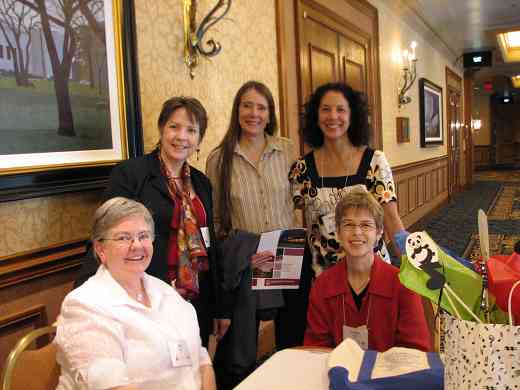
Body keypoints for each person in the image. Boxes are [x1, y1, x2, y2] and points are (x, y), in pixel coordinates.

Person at [280, 82, 406, 348]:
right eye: (325, 109)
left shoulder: (374, 161)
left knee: (377, 347)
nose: (333, 117)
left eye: (341, 110)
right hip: (324, 282)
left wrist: (412, 267)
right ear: (316, 116)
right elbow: (289, 221)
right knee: (329, 351)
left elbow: (392, 220)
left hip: (371, 274)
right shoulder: (302, 169)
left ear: (353, 115)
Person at [55, 197, 217, 390]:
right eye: (123, 237)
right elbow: (112, 386)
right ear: (101, 249)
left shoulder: (164, 290)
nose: (137, 245)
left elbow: (201, 360)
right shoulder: (84, 305)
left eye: (143, 236)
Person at [103, 96, 225, 347]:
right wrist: (86, 293)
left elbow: (208, 244)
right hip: (146, 300)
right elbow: (106, 235)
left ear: (199, 139)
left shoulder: (202, 183)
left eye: (191, 130)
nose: (182, 136)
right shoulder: (131, 175)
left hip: (194, 303)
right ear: (161, 128)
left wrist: (220, 307)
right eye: (174, 127)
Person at [205, 80, 297, 389]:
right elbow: (216, 218)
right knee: (241, 344)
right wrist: (236, 250)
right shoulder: (219, 159)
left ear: (270, 114)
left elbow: (301, 199)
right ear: (237, 110)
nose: (253, 113)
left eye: (261, 107)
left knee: (289, 333)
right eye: (247, 105)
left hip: (286, 253)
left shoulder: (287, 150)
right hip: (247, 258)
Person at [304, 187, 431, 351]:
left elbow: (415, 352)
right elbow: (315, 348)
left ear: (379, 233)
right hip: (337, 373)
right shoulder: (322, 285)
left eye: (366, 225)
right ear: (338, 232)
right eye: (348, 224)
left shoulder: (403, 285)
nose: (357, 232)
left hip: (390, 375)